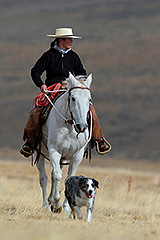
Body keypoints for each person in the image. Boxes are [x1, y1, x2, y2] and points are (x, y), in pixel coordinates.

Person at [20, 28, 111, 158]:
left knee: (90, 110)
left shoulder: (73, 56)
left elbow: (82, 73)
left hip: (71, 89)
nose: (71, 41)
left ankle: (99, 139)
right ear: (60, 40)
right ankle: (30, 142)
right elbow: (35, 71)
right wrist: (42, 85)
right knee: (37, 110)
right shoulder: (48, 55)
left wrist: (79, 84)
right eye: (69, 39)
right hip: (53, 89)